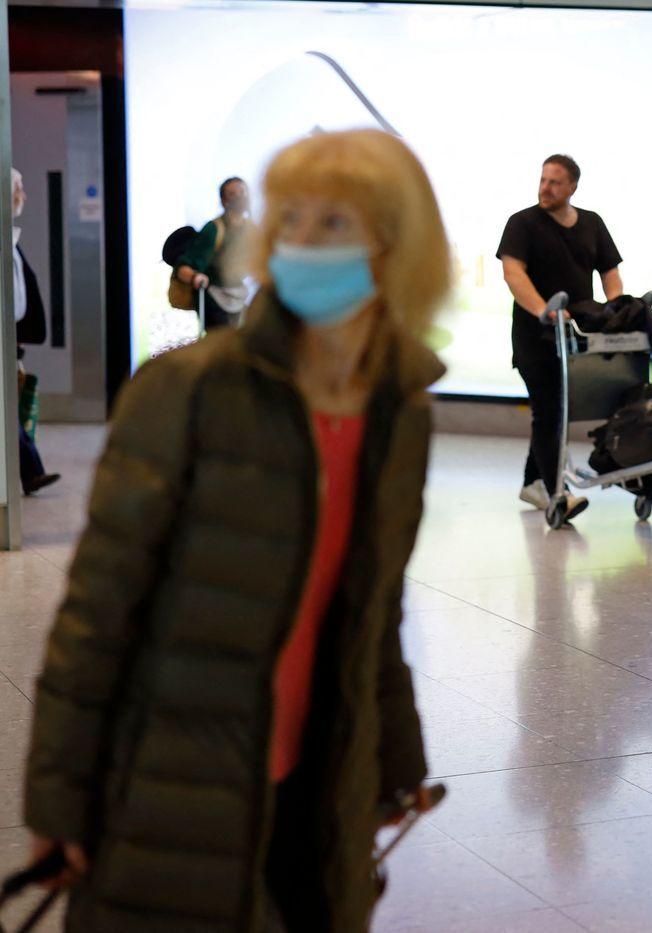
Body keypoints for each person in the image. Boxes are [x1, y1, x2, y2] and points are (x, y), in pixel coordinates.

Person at [23, 129, 449, 931]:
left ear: (396, 248)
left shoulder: (402, 410)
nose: (300, 243)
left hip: (320, 791)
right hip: (170, 790)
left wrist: (397, 762)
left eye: (334, 224)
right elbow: (96, 612)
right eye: (290, 219)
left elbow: (372, 611)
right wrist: (58, 797)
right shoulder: (184, 391)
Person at [497, 154, 623, 522]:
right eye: (542, 180)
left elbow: (610, 273)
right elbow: (513, 273)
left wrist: (616, 308)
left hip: (576, 336)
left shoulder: (591, 223)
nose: (545, 188)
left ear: (572, 187)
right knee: (550, 409)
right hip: (535, 338)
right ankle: (556, 493)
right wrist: (543, 310)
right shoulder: (522, 223)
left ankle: (533, 482)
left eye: (554, 182)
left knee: (557, 412)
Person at [10, 168, 59, 494]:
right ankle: (30, 471)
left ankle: (30, 472)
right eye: (18, 188)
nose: (23, 195)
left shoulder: (11, 240)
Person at [173, 176, 255, 330]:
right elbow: (184, 266)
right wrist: (194, 276)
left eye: (243, 191)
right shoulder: (214, 230)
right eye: (233, 194)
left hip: (238, 296)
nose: (240, 197)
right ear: (224, 201)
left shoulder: (251, 228)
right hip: (213, 297)